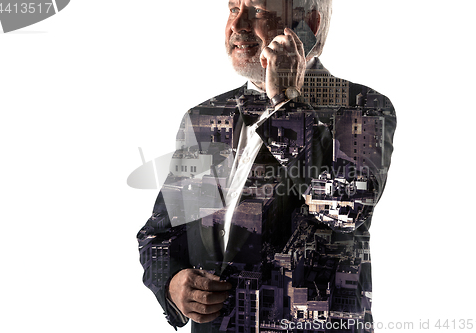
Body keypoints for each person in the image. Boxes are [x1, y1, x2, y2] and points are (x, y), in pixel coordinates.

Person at [137, 0, 396, 332]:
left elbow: (344, 209)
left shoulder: (363, 107)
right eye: (233, 9)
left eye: (257, 10)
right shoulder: (202, 118)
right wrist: (173, 282)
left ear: (309, 23)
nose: (238, 24)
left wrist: (285, 103)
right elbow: (160, 234)